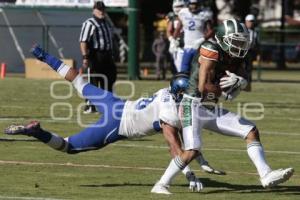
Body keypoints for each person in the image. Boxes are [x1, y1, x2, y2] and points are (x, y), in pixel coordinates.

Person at [5, 44, 223, 192]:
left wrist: (200, 159)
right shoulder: (169, 111)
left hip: (116, 103)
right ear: (180, 95)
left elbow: (184, 135)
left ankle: (44, 56)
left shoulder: (165, 92)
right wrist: (189, 174)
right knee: (68, 147)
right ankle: (37, 132)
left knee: (79, 82)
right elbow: (174, 146)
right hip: (117, 124)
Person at [151, 18, 294, 194]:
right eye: (237, 41)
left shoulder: (237, 55)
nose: (241, 45)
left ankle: (265, 175)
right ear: (224, 39)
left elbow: (247, 85)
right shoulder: (211, 50)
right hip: (192, 104)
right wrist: (226, 91)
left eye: (243, 41)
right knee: (192, 150)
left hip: (208, 107)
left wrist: (240, 82)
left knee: (251, 131)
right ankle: (161, 184)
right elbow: (204, 88)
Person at [79, 0, 117, 114]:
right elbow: (83, 41)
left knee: (109, 80)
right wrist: (85, 57)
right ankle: (90, 106)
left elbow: (110, 40)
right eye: (99, 9)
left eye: (103, 9)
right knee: (93, 81)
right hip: (95, 56)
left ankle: (107, 105)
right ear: (94, 10)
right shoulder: (89, 23)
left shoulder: (106, 23)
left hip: (107, 56)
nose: (101, 11)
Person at [174, 0, 214, 73]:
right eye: (192, 4)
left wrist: (202, 39)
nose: (194, 6)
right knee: (184, 70)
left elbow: (211, 31)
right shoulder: (183, 12)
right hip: (187, 46)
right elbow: (178, 29)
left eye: (195, 4)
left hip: (200, 47)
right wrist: (174, 40)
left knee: (198, 70)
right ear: (187, 4)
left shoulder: (205, 13)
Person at [167, 0, 185, 73]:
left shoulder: (189, 15)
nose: (178, 8)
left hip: (189, 43)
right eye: (177, 6)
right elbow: (168, 30)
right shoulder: (172, 17)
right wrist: (171, 40)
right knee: (177, 65)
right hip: (177, 43)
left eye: (180, 6)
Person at [244, 14, 259, 92]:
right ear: (246, 22)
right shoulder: (242, 31)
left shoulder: (255, 32)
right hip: (241, 52)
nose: (251, 23)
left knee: (249, 69)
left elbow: (256, 44)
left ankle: (248, 86)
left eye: (252, 21)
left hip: (250, 53)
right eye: (250, 21)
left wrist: (257, 54)